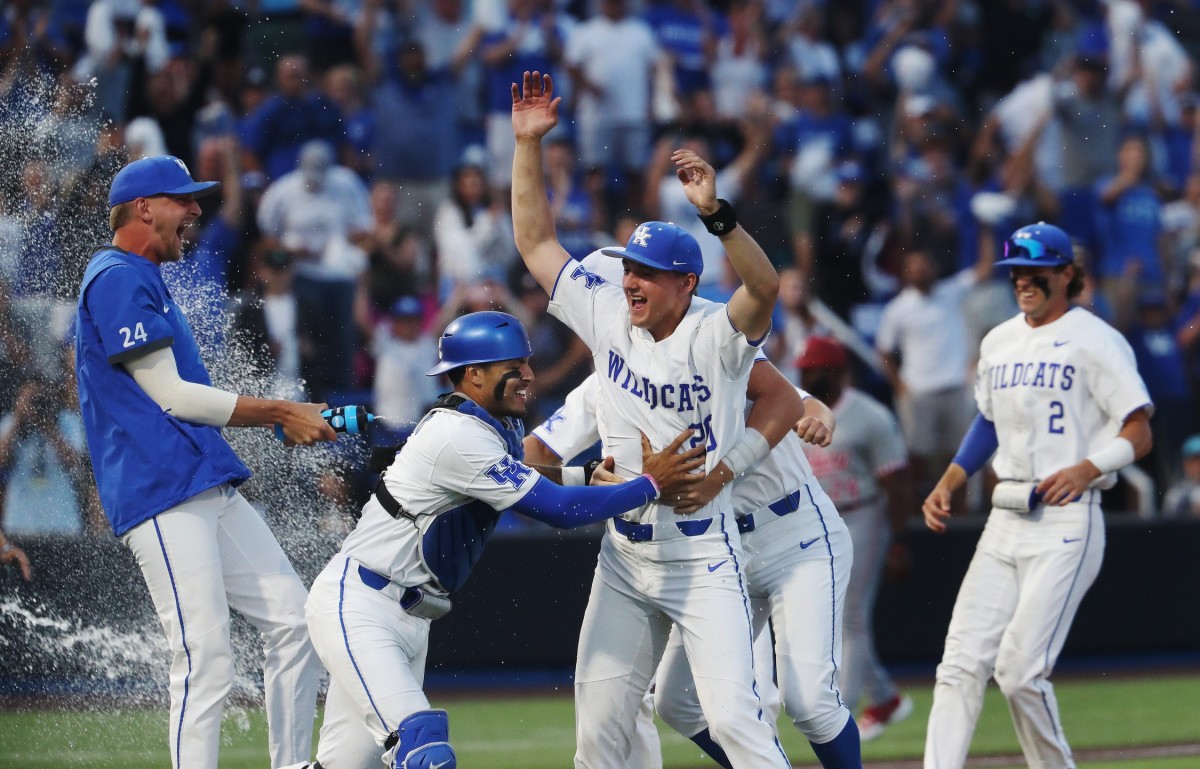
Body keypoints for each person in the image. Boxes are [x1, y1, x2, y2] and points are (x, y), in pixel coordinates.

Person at [512, 71, 799, 769]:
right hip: (624, 553)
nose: (631, 279)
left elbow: (765, 287)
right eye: (629, 265)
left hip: (702, 552)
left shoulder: (715, 335)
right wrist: (525, 146)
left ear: (687, 283)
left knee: (734, 720)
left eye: (647, 271)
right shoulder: (610, 312)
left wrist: (718, 216)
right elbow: (535, 242)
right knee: (598, 737)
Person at [290, 310, 705, 769]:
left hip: (405, 615)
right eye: (513, 364)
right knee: (425, 750)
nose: (528, 374)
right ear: (473, 374)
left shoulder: (487, 426)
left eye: (526, 361)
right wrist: (650, 484)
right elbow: (561, 512)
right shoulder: (459, 434)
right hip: (362, 607)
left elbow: (518, 475)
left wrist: (582, 473)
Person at [74, 155, 339, 769]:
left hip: (203, 481)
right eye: (183, 199)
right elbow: (171, 396)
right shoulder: (115, 275)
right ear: (144, 208)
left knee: (295, 626)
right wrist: (279, 412)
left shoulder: (143, 275)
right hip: (160, 491)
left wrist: (282, 414)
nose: (196, 210)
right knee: (203, 654)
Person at [526, 361, 864, 769]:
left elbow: (802, 404)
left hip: (793, 533)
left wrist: (820, 421)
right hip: (719, 550)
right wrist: (583, 477)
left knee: (810, 703)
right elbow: (534, 453)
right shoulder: (609, 379)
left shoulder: (713, 347)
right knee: (677, 701)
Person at [921, 222, 1154, 769]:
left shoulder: (1095, 339)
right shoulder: (999, 340)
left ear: (1066, 273)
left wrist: (1089, 466)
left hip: (1067, 520)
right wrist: (952, 478)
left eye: (1036, 271)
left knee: (1020, 672)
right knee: (958, 664)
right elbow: (987, 421)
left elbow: (1139, 429)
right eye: (1016, 272)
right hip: (1006, 518)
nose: (1023, 280)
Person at [795, 336, 914, 741]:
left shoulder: (869, 415)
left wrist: (898, 541)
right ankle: (884, 696)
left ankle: (840, 716)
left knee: (850, 617)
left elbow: (896, 482)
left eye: (814, 368)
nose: (806, 374)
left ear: (837, 370)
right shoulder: (798, 410)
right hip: (818, 521)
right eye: (804, 368)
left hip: (862, 514)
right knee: (830, 617)